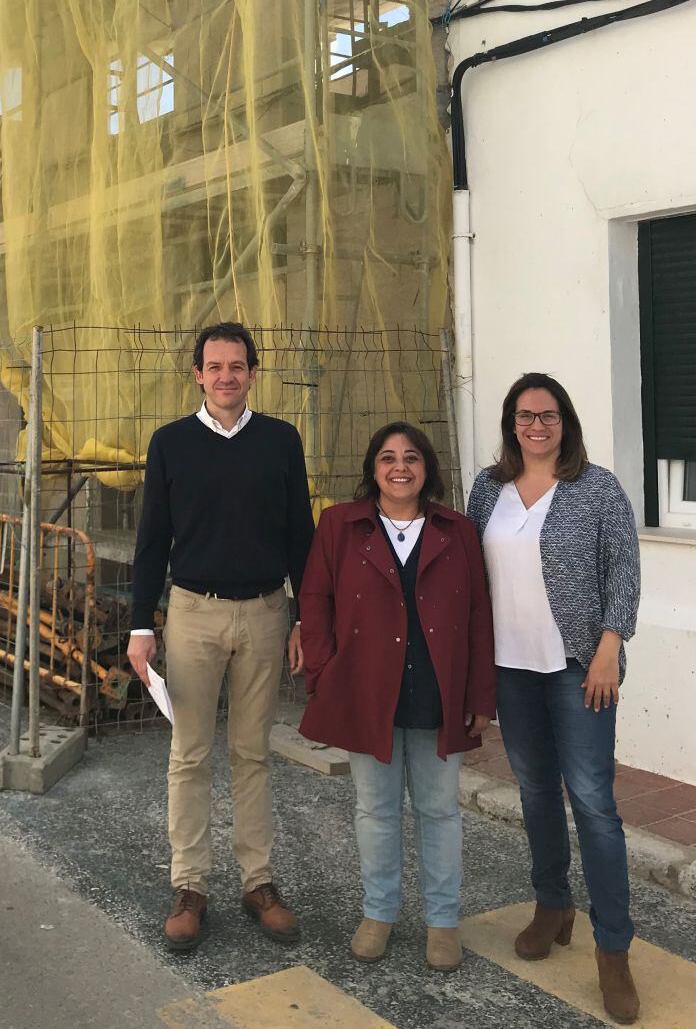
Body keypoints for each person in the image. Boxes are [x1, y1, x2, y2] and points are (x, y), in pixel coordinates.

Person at [127, 321, 315, 952]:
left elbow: (300, 536)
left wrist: (304, 617)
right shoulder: (171, 443)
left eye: (238, 365)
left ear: (253, 374)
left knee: (253, 752)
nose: (227, 376)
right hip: (192, 615)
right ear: (198, 374)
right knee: (189, 753)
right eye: (215, 366)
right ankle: (190, 887)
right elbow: (153, 538)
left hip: (265, 613)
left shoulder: (281, 441)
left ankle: (258, 882)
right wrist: (139, 623)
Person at [467, 373, 641, 1025]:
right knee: (536, 792)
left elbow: (624, 568)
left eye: (548, 414)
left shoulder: (596, 489)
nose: (536, 425)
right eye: (524, 415)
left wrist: (608, 644)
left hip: (578, 668)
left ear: (564, 421)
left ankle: (613, 949)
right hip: (511, 668)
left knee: (594, 802)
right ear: (511, 422)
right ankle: (551, 903)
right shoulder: (487, 489)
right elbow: (468, 572)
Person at [299, 422, 495, 972]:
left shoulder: (457, 530)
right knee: (376, 809)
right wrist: (323, 672)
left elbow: (480, 614)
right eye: (387, 458)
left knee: (439, 811)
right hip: (367, 692)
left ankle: (443, 922)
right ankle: (378, 913)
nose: (400, 467)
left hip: (439, 692)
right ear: (373, 469)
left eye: (411, 457)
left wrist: (481, 691)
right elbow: (315, 601)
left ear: (427, 467)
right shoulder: (340, 525)